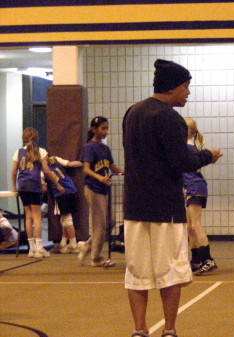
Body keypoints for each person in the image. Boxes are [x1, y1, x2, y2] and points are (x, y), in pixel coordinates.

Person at [122, 59, 223, 337]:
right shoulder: (169, 117)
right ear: (172, 87)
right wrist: (207, 156)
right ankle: (169, 329)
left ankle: (139, 329)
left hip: (134, 207)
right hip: (165, 207)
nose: (188, 92)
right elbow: (181, 161)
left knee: (137, 273)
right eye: (186, 86)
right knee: (171, 271)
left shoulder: (132, 112)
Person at [11, 127, 64, 258]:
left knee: (27, 216)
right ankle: (39, 247)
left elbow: (13, 172)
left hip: (22, 185)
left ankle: (31, 249)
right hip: (34, 185)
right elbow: (46, 170)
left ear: (23, 139)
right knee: (37, 216)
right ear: (37, 139)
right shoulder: (40, 152)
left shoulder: (18, 152)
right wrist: (57, 184)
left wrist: (14, 187)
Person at [78, 116, 124, 267]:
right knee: (100, 225)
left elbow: (114, 168)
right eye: (103, 128)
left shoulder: (105, 148)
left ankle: (87, 245)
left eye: (107, 128)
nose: (106, 131)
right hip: (93, 188)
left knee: (109, 222)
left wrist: (127, 172)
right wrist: (99, 178)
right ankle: (95, 258)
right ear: (93, 130)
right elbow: (86, 169)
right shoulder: (89, 147)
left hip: (104, 189)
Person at [183, 117, 218, 275]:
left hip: (195, 186)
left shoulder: (187, 147)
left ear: (189, 132)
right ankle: (196, 260)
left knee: (195, 226)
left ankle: (208, 259)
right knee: (190, 227)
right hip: (190, 187)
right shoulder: (189, 147)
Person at [46, 156, 83, 254]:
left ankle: (73, 245)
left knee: (67, 219)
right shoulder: (55, 159)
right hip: (71, 189)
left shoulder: (42, 170)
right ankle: (63, 243)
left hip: (61, 193)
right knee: (65, 218)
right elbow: (71, 164)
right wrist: (83, 163)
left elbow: (44, 188)